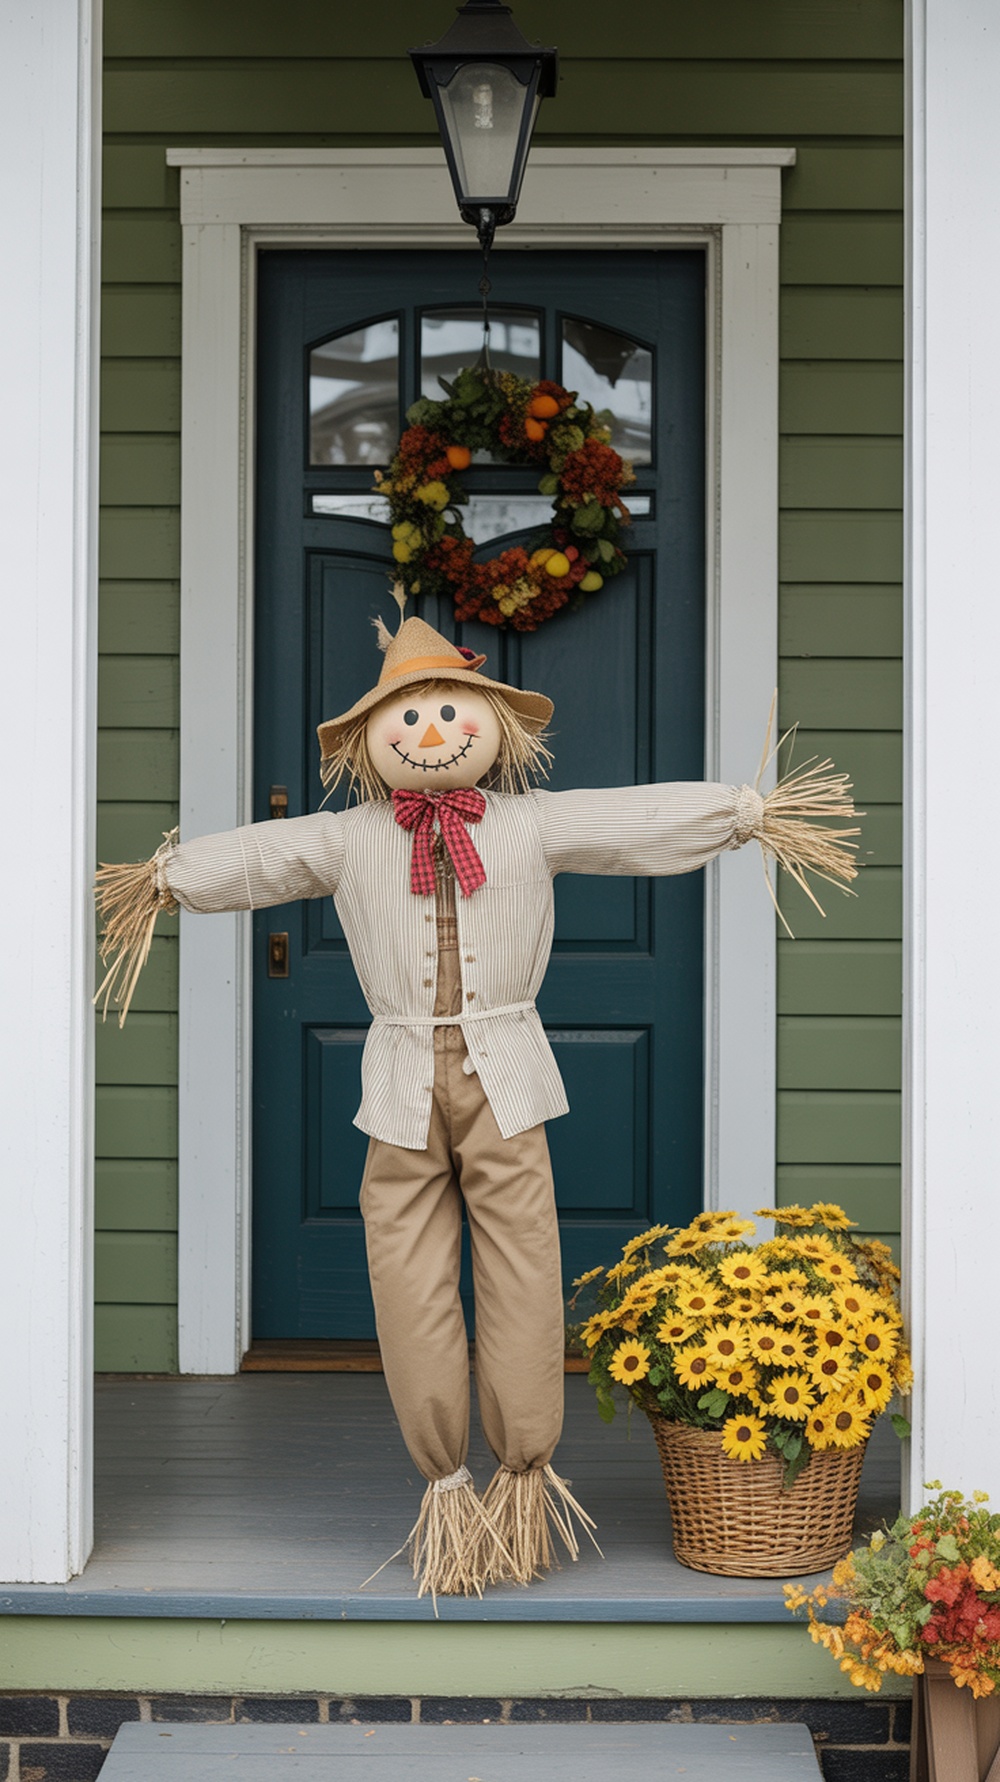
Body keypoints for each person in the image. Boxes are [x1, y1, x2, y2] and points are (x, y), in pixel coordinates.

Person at [96, 611, 858, 1599]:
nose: (426, 733)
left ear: (495, 724)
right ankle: (446, 1482)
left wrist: (742, 813)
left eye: (447, 711)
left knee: (522, 1270)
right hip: (400, 1087)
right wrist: (165, 879)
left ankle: (523, 1473)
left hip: (507, 1074)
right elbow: (262, 856)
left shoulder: (530, 823)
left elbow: (631, 822)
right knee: (406, 1278)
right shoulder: (348, 836)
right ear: (371, 743)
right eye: (404, 719)